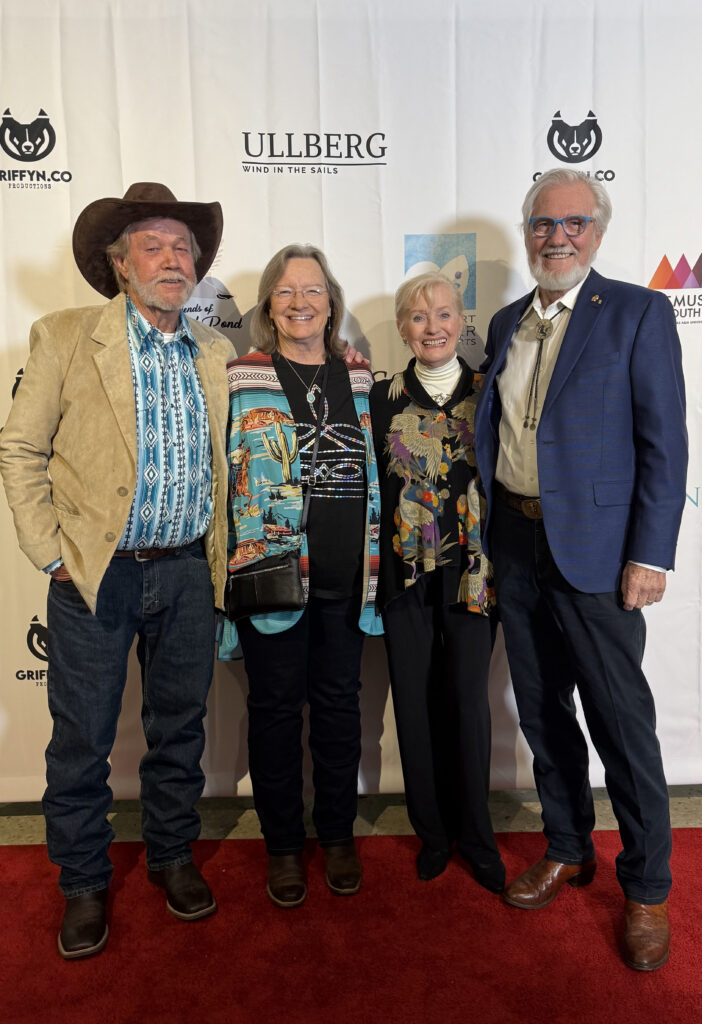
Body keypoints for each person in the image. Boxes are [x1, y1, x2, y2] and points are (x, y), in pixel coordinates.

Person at [0, 182, 233, 959]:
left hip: (188, 572)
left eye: (183, 248)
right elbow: (20, 449)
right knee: (82, 740)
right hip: (96, 574)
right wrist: (50, 552)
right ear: (120, 264)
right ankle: (82, 882)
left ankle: (171, 854)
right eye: (153, 246)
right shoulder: (67, 337)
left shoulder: (215, 352)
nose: (172, 260)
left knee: (180, 728)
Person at [474, 169, 687, 971]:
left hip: (598, 556)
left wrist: (649, 553)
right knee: (541, 712)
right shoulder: (505, 322)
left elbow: (664, 443)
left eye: (573, 222)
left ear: (597, 231)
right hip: (516, 544)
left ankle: (647, 887)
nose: (556, 236)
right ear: (527, 231)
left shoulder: (636, 312)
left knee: (621, 724)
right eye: (542, 222)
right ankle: (567, 845)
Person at [220, 243, 383, 908]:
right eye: (285, 291)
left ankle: (337, 835)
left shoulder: (360, 377)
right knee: (276, 712)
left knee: (341, 711)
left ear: (331, 302)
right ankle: (284, 845)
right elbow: (224, 477)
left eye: (312, 290)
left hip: (347, 578)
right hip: (271, 576)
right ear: (267, 306)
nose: (300, 302)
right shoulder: (241, 376)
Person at [369, 272, 504, 894]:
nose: (433, 327)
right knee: (415, 703)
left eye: (444, 314)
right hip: (404, 573)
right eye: (419, 317)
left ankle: (476, 836)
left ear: (461, 323)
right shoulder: (380, 398)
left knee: (469, 705)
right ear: (403, 328)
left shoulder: (490, 391)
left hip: (474, 573)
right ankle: (432, 835)